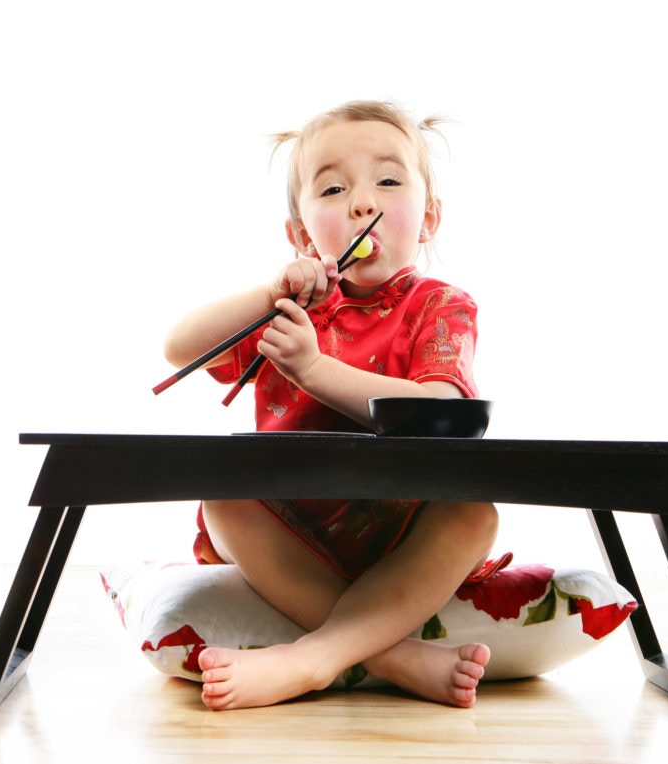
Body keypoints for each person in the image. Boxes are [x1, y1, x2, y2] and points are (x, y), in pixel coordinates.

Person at [162, 100, 500, 711]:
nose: (363, 203)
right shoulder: (291, 309)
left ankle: (310, 660)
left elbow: (437, 410)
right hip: (294, 529)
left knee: (474, 515)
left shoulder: (441, 306)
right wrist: (267, 294)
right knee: (222, 501)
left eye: (389, 181)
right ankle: (391, 656)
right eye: (335, 188)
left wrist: (314, 370)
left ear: (429, 219)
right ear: (300, 234)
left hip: (402, 534)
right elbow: (178, 348)